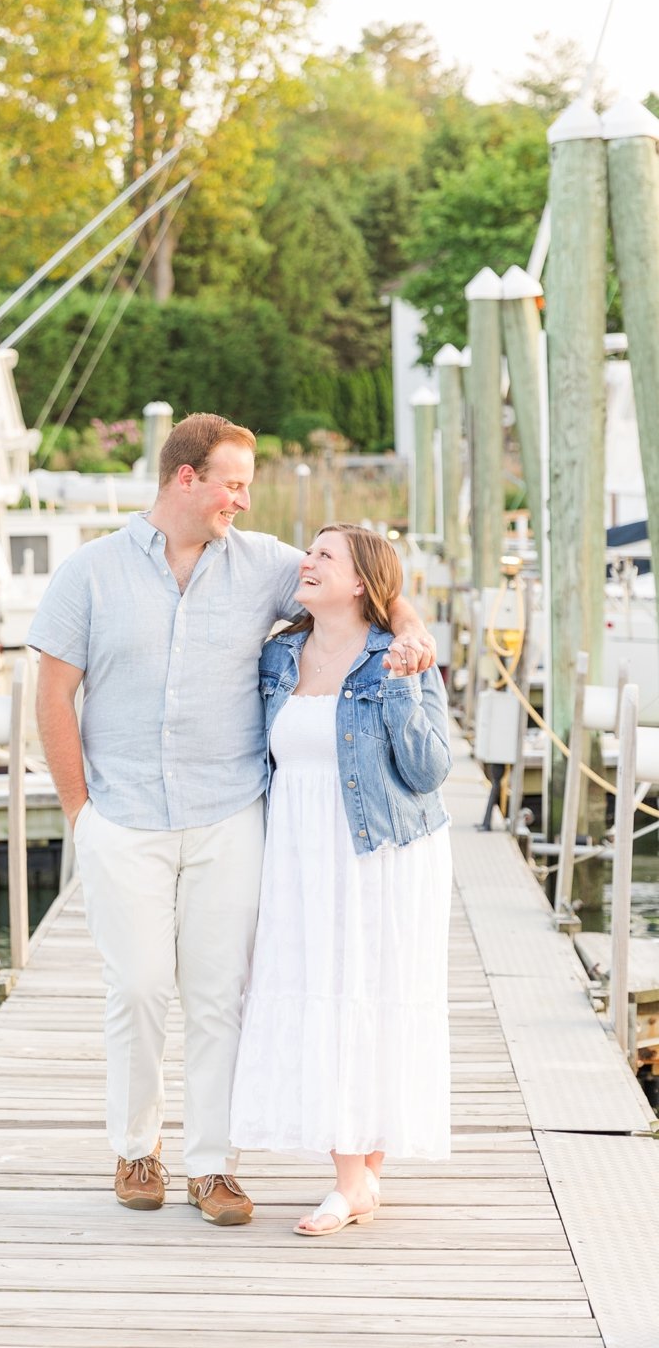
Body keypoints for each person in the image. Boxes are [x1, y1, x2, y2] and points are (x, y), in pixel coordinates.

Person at [28, 415, 435, 1227]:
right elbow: (52, 697)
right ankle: (136, 1149)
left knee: (221, 996)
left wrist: (415, 629)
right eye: (233, 483)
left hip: (230, 814)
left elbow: (368, 592)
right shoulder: (89, 573)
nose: (244, 501)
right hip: (125, 816)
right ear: (186, 478)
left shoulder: (268, 568)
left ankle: (212, 1166)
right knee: (138, 988)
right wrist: (82, 813)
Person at [229, 522, 452, 1236]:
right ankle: (360, 1177)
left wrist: (408, 684)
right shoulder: (278, 656)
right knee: (324, 990)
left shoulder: (399, 655)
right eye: (310, 551)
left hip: (380, 851)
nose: (308, 561)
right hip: (297, 851)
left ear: (361, 582)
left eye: (326, 555)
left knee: (374, 994)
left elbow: (429, 770)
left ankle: (354, 1180)